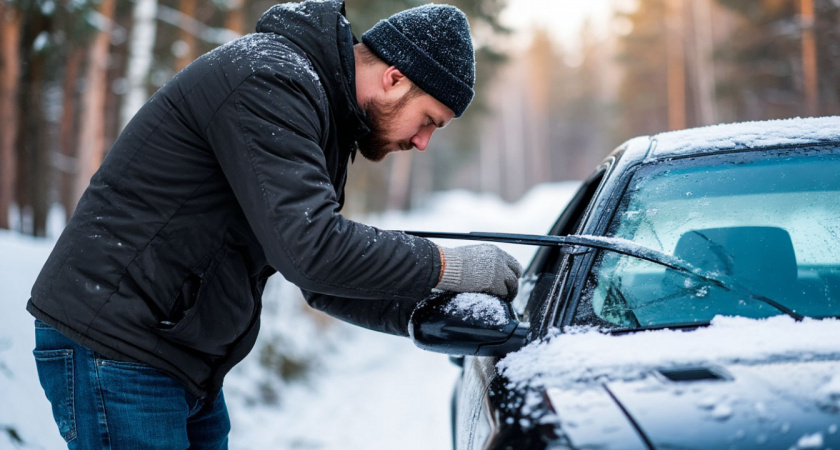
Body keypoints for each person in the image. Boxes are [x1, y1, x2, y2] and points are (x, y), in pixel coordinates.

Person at [27, 1, 522, 448]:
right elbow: (313, 252)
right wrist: (450, 266)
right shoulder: (269, 80)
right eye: (429, 119)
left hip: (175, 357)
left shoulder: (321, 109)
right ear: (394, 78)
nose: (422, 142)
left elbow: (323, 281)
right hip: (117, 347)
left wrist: (429, 310)